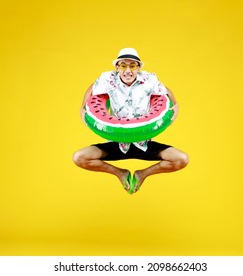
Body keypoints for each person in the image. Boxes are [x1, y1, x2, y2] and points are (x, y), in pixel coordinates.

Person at [73, 48, 189, 194]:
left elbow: (164, 90)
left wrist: (176, 104)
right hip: (117, 141)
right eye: (123, 65)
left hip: (144, 142)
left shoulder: (149, 80)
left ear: (138, 68)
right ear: (117, 67)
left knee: (182, 159)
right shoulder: (108, 79)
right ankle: (120, 173)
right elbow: (92, 88)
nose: (128, 70)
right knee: (79, 158)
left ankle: (142, 174)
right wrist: (82, 107)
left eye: (132, 66)